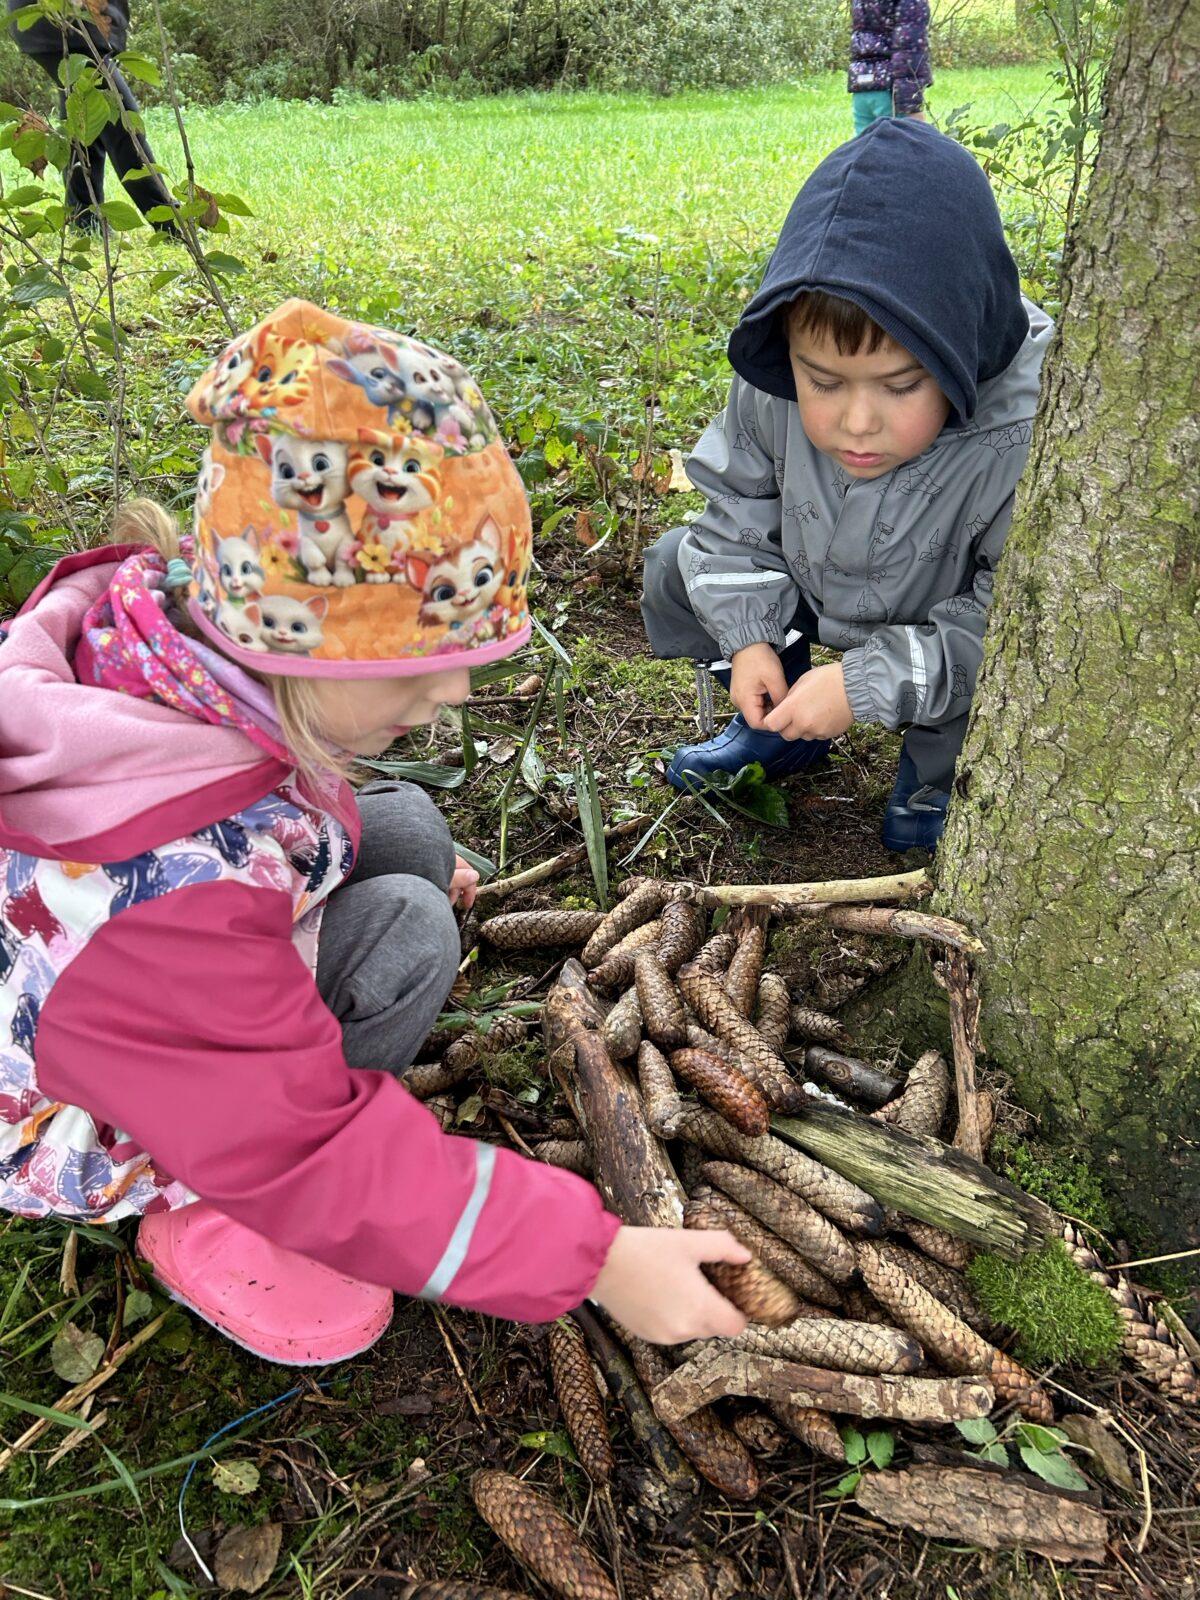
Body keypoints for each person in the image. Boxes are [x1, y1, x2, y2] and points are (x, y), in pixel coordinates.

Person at [0, 300, 752, 1365]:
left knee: (401, 825)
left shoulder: (166, 639)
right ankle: (201, 1206)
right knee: (407, 938)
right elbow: (306, 1148)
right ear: (306, 648)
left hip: (116, 992)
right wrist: (594, 1257)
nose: (453, 692)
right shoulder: (169, 904)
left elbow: (263, 791)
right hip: (110, 1110)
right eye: (417, 664)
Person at [640, 121, 1053, 851]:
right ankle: (777, 724)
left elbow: (1010, 623)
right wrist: (750, 641)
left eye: (900, 386)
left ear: (960, 351)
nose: (857, 422)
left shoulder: (1024, 427)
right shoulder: (774, 381)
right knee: (677, 563)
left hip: (942, 613)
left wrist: (865, 687)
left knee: (984, 677)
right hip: (819, 578)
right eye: (824, 382)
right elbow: (732, 517)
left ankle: (938, 779)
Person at [7, 0, 176, 230]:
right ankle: (171, 223)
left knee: (85, 123)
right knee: (121, 121)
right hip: (65, 23)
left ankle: (84, 219)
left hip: (71, 25)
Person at [849, 0, 931, 136]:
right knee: (903, 152)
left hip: (862, 85)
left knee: (864, 153)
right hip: (890, 91)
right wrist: (911, 105)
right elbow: (909, 48)